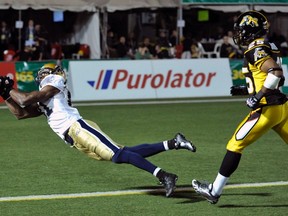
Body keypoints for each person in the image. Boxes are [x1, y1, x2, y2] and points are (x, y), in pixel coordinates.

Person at [0, 64, 196, 198]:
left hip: (78, 127)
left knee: (118, 155)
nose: (42, 76)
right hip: (74, 138)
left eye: (45, 73)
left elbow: (25, 99)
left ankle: (164, 176)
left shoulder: (55, 82)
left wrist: (8, 88)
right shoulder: (45, 98)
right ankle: (174, 142)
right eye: (42, 74)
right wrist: (5, 95)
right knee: (124, 152)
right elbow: (21, 113)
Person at [192, 10, 288, 204]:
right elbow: (269, 78)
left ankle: (214, 190)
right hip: (282, 107)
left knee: (235, 145)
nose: (239, 34)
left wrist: (257, 96)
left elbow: (275, 72)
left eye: (242, 30)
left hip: (266, 109)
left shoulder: (255, 49)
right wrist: (247, 89)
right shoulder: (267, 45)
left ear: (250, 31)